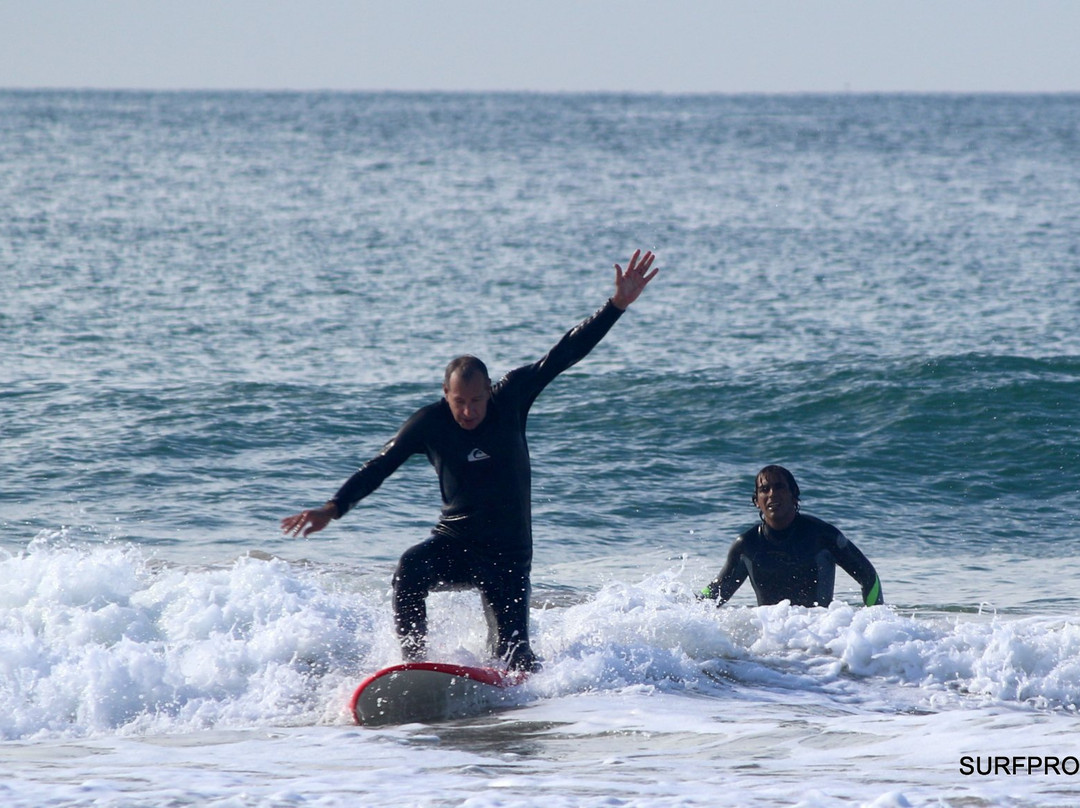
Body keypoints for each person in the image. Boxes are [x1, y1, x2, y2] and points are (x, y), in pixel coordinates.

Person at [282, 250, 658, 672]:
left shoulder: (510, 398)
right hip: (455, 544)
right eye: (459, 402)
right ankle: (416, 665)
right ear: (445, 394)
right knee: (409, 570)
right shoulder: (429, 423)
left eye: (476, 400)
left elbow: (562, 355)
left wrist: (616, 307)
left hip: (508, 554)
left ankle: (545, 695)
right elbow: (379, 466)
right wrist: (334, 507)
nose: (469, 411)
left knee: (514, 660)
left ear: (488, 390)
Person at [701, 465, 883, 608]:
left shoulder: (823, 536)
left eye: (779, 487)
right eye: (764, 489)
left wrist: (875, 631)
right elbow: (715, 594)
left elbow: (869, 578)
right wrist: (683, 611)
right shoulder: (747, 546)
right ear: (756, 501)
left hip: (821, 641)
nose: (772, 494)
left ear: (794, 495)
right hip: (770, 644)